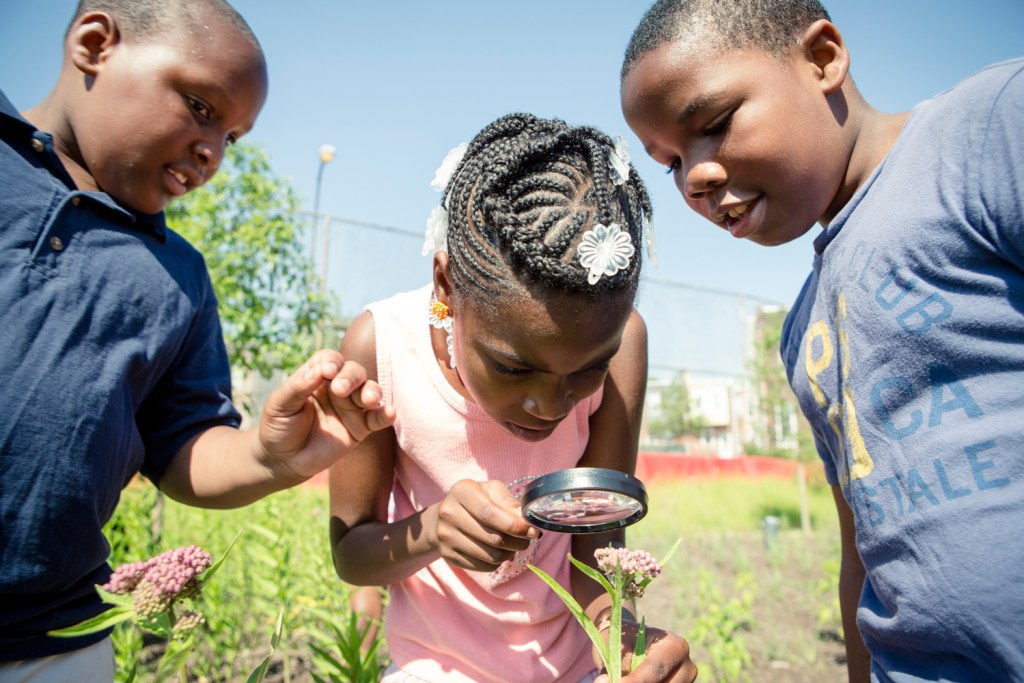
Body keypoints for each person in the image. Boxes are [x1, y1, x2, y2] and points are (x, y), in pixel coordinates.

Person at [620, 1, 1024, 681]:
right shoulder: (803, 327)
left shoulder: (986, 132)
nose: (694, 176)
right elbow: (862, 551)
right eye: (670, 162)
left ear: (823, 59)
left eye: (713, 124)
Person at [0, 1, 395, 679]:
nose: (213, 153)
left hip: (57, 641)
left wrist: (271, 458)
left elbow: (183, 447)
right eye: (200, 107)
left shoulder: (176, 278)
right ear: (95, 44)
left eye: (232, 138)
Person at [328, 112, 697, 683]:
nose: (551, 406)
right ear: (446, 286)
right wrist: (433, 532)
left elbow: (595, 545)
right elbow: (352, 553)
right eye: (512, 367)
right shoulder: (382, 349)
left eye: (589, 369)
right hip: (436, 670)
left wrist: (623, 647)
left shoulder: (627, 347)